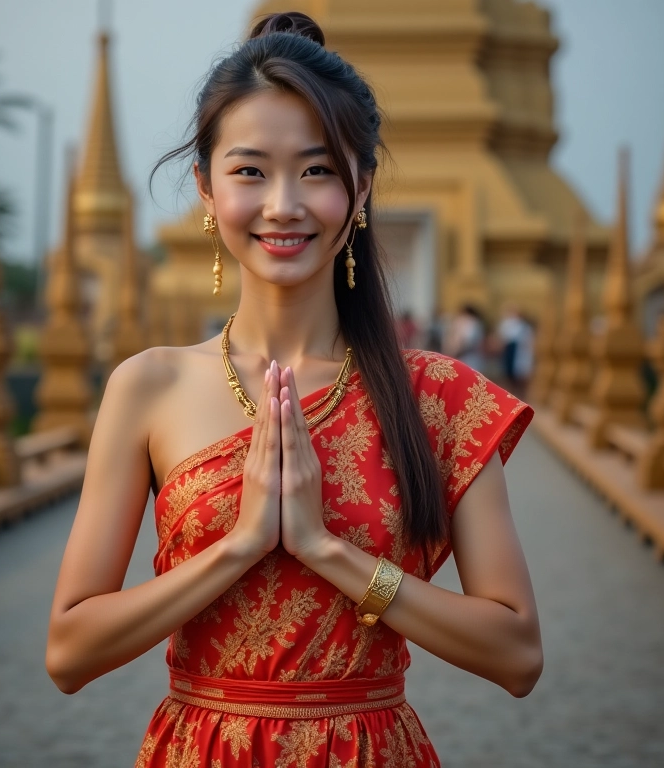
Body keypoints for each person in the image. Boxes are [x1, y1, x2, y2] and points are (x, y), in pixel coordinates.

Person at [45, 13, 542, 767]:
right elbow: (70, 652)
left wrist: (324, 550)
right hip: (203, 749)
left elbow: (517, 655)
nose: (284, 204)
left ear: (361, 187)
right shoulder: (149, 386)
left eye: (317, 170)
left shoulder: (439, 397)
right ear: (207, 189)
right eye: (250, 171)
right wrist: (240, 546)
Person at [442, 304, 487, 374]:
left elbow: (467, 340)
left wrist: (457, 351)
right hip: (464, 356)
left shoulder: (469, 322)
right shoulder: (472, 323)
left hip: (467, 356)